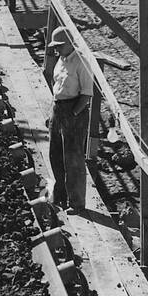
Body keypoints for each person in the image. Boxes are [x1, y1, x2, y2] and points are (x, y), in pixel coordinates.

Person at [44, 27, 93, 213]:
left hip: (74, 110)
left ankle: (77, 203)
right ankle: (61, 196)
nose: (56, 49)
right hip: (58, 108)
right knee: (55, 154)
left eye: (59, 46)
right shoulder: (61, 60)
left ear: (69, 44)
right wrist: (54, 111)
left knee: (73, 158)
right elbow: (55, 82)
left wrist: (73, 114)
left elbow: (87, 93)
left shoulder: (81, 62)